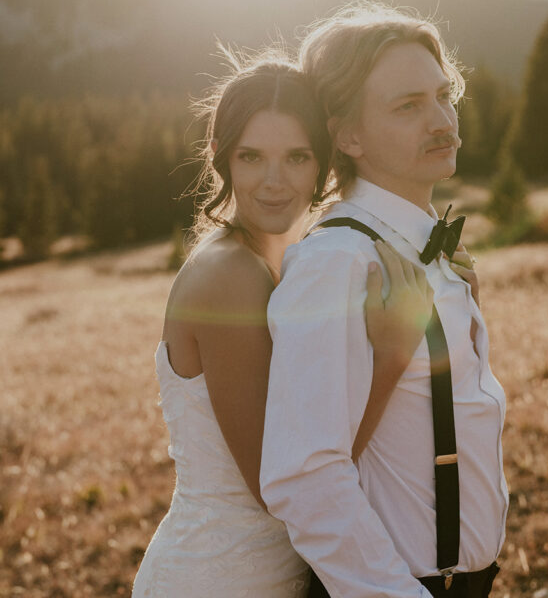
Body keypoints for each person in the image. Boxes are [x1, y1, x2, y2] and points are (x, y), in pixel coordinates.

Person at [132, 51, 434, 598]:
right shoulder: (228, 276)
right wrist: (392, 357)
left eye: (296, 157)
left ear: (323, 161)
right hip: (218, 579)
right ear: (222, 159)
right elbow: (282, 483)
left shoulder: (292, 256)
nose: (274, 182)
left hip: (279, 575)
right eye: (252, 157)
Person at [261, 5, 508, 598]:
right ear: (346, 135)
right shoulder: (337, 263)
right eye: (408, 106)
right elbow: (305, 475)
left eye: (443, 96)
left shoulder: (425, 243)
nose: (442, 120)